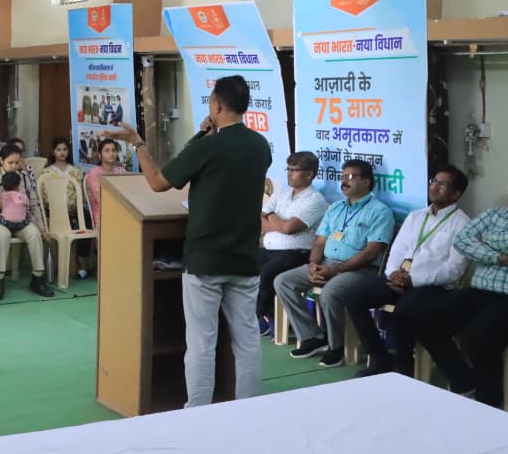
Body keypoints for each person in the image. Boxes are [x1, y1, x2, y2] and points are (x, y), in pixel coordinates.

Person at [105, 75, 271, 408]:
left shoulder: (207, 147)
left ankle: (197, 411)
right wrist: (204, 136)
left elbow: (157, 182)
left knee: (201, 342)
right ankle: (251, 409)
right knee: (248, 340)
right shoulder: (260, 145)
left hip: (206, 259)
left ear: (216, 105)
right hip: (245, 258)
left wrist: (138, 143)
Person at [410, 167, 508, 408]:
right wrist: (497, 257)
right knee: (423, 316)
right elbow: (462, 239)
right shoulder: (496, 213)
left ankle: (490, 404)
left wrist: (485, 239)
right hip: (482, 295)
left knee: (478, 335)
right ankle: (464, 384)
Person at [341, 165, 471, 377]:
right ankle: (380, 358)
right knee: (354, 298)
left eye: (443, 184)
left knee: (404, 309)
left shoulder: (463, 224)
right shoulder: (416, 216)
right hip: (398, 278)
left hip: (432, 286)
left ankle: (404, 368)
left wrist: (413, 280)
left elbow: (453, 269)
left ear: (456, 194)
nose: (435, 187)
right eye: (433, 181)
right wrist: (393, 273)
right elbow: (397, 250)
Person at [273, 159, 395, 367]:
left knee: (331, 292)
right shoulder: (336, 208)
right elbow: (320, 242)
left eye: (351, 177)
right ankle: (312, 337)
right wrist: (313, 264)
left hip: (360, 270)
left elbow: (372, 251)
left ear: (367, 182)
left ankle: (335, 347)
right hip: (327, 263)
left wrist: (336, 269)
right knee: (283, 281)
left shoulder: (380, 211)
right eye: (343, 176)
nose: (344, 181)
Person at [257, 152, 329, 336]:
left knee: (266, 273)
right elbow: (259, 221)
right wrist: (279, 224)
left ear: (309, 174)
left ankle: (266, 317)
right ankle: (261, 314)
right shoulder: (281, 193)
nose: (289, 174)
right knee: (243, 264)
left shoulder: (315, 199)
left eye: (295, 170)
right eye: (288, 169)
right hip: (270, 250)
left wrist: (270, 215)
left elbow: (290, 228)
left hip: (297, 253)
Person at [0, 144, 53, 300]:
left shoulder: (23, 177)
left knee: (34, 233)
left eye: (17, 162)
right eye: (10, 162)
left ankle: (38, 278)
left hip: (20, 219)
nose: (14, 166)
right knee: (3, 234)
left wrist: (43, 229)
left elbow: (33, 205)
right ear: (1, 160)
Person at [43, 137, 90, 277]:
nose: (62, 152)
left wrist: (76, 205)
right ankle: (74, 263)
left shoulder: (75, 171)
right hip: (55, 210)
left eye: (64, 149)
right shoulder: (47, 172)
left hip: (75, 208)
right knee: (68, 223)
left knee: (87, 217)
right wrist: (62, 207)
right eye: (58, 149)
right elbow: (45, 195)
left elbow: (80, 192)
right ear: (53, 152)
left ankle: (81, 257)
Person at [84, 138, 125, 232]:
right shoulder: (94, 173)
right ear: (99, 155)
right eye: (107, 150)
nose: (111, 153)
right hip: (102, 215)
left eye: (113, 150)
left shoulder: (121, 171)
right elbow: (100, 198)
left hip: (121, 212)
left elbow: (126, 193)